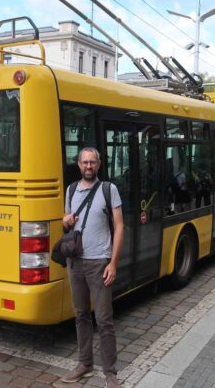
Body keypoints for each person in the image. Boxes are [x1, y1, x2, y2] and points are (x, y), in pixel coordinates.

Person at [61, 147, 124, 388]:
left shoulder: (109, 189)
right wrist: (65, 220)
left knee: (104, 319)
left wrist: (113, 262)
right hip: (75, 261)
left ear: (98, 165)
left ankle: (110, 373)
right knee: (80, 315)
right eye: (84, 162)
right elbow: (66, 221)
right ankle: (84, 363)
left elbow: (119, 226)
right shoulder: (71, 190)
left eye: (92, 162)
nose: (88, 166)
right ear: (78, 165)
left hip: (99, 262)